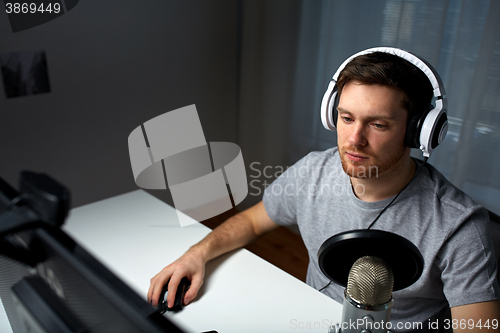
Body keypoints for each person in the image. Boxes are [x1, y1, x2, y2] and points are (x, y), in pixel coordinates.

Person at [148, 48, 500, 331]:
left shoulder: (461, 226)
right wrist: (197, 254)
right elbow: (254, 222)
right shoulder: (315, 170)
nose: (354, 140)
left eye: (378, 124)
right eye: (346, 118)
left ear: (418, 132)